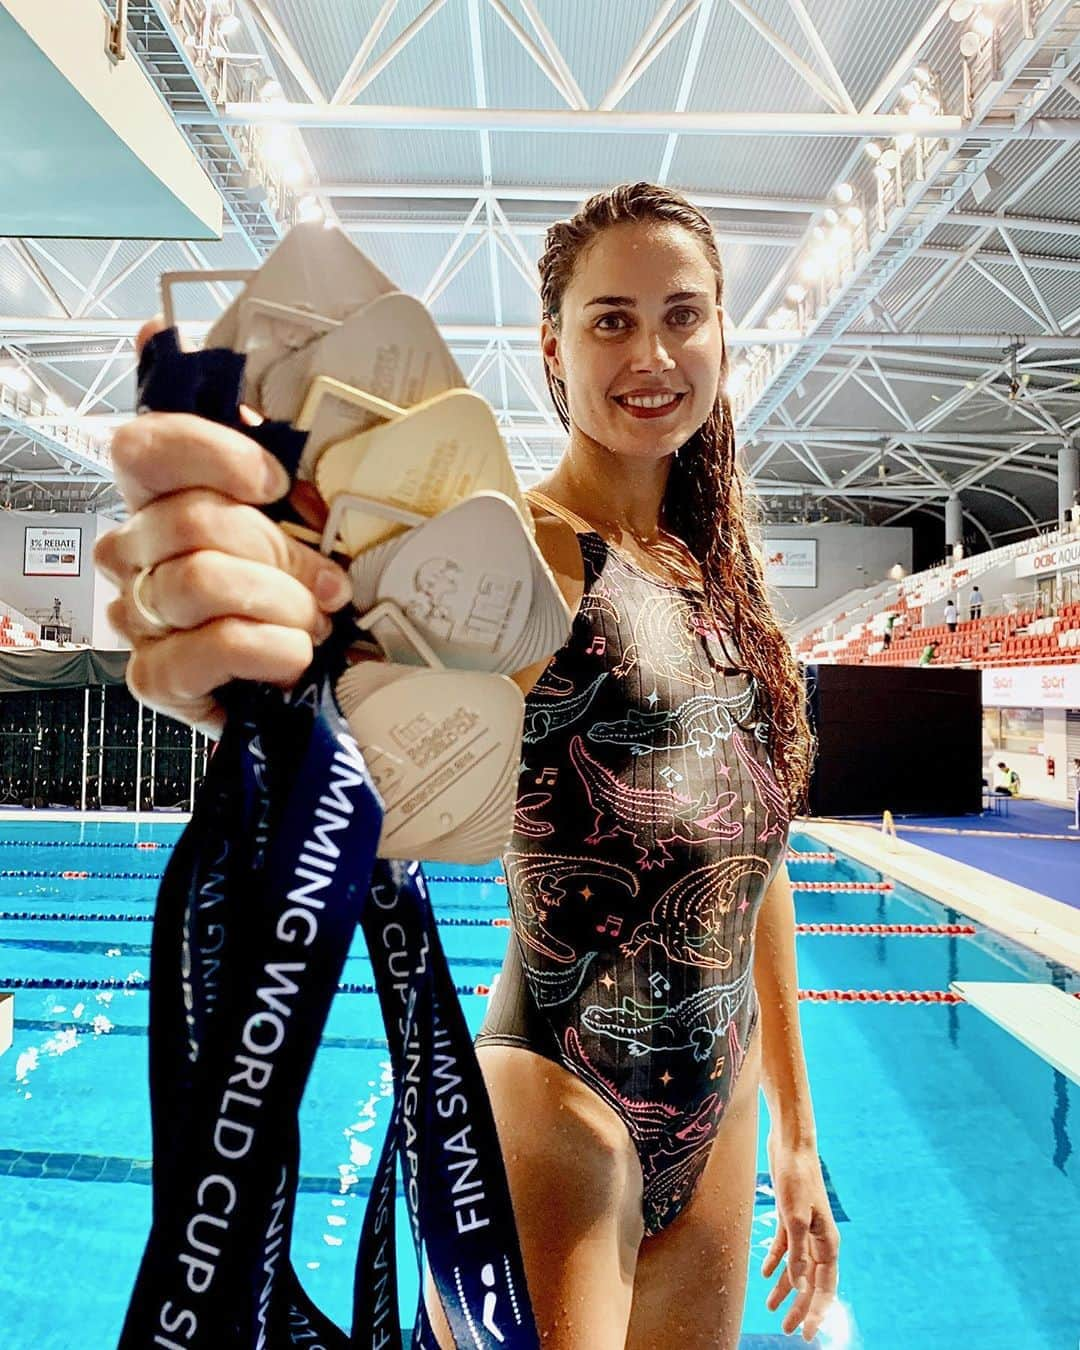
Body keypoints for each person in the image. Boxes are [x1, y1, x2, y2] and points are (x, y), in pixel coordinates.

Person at [94, 182, 839, 1350]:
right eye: (611, 320)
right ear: (554, 349)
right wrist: (254, 655)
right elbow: (375, 684)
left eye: (683, 315)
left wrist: (796, 1132)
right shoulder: (533, 550)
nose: (652, 352)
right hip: (554, 1102)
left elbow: (759, 860)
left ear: (723, 334)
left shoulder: (725, 588)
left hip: (722, 1108)